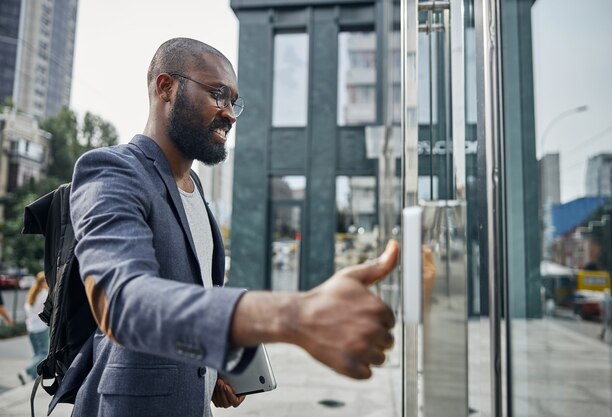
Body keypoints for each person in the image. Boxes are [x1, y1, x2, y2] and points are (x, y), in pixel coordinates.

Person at [66, 37, 399, 417]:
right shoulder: (112, 171)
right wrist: (293, 315)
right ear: (166, 87)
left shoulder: (196, 190)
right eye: (218, 94)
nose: (230, 113)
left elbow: (194, 295)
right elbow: (123, 303)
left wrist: (209, 367)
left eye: (234, 101)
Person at [18, 271, 49, 385]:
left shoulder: (31, 294)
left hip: (30, 328)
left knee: (37, 353)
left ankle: (32, 376)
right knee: (43, 353)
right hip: (41, 328)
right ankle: (26, 372)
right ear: (44, 281)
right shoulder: (45, 294)